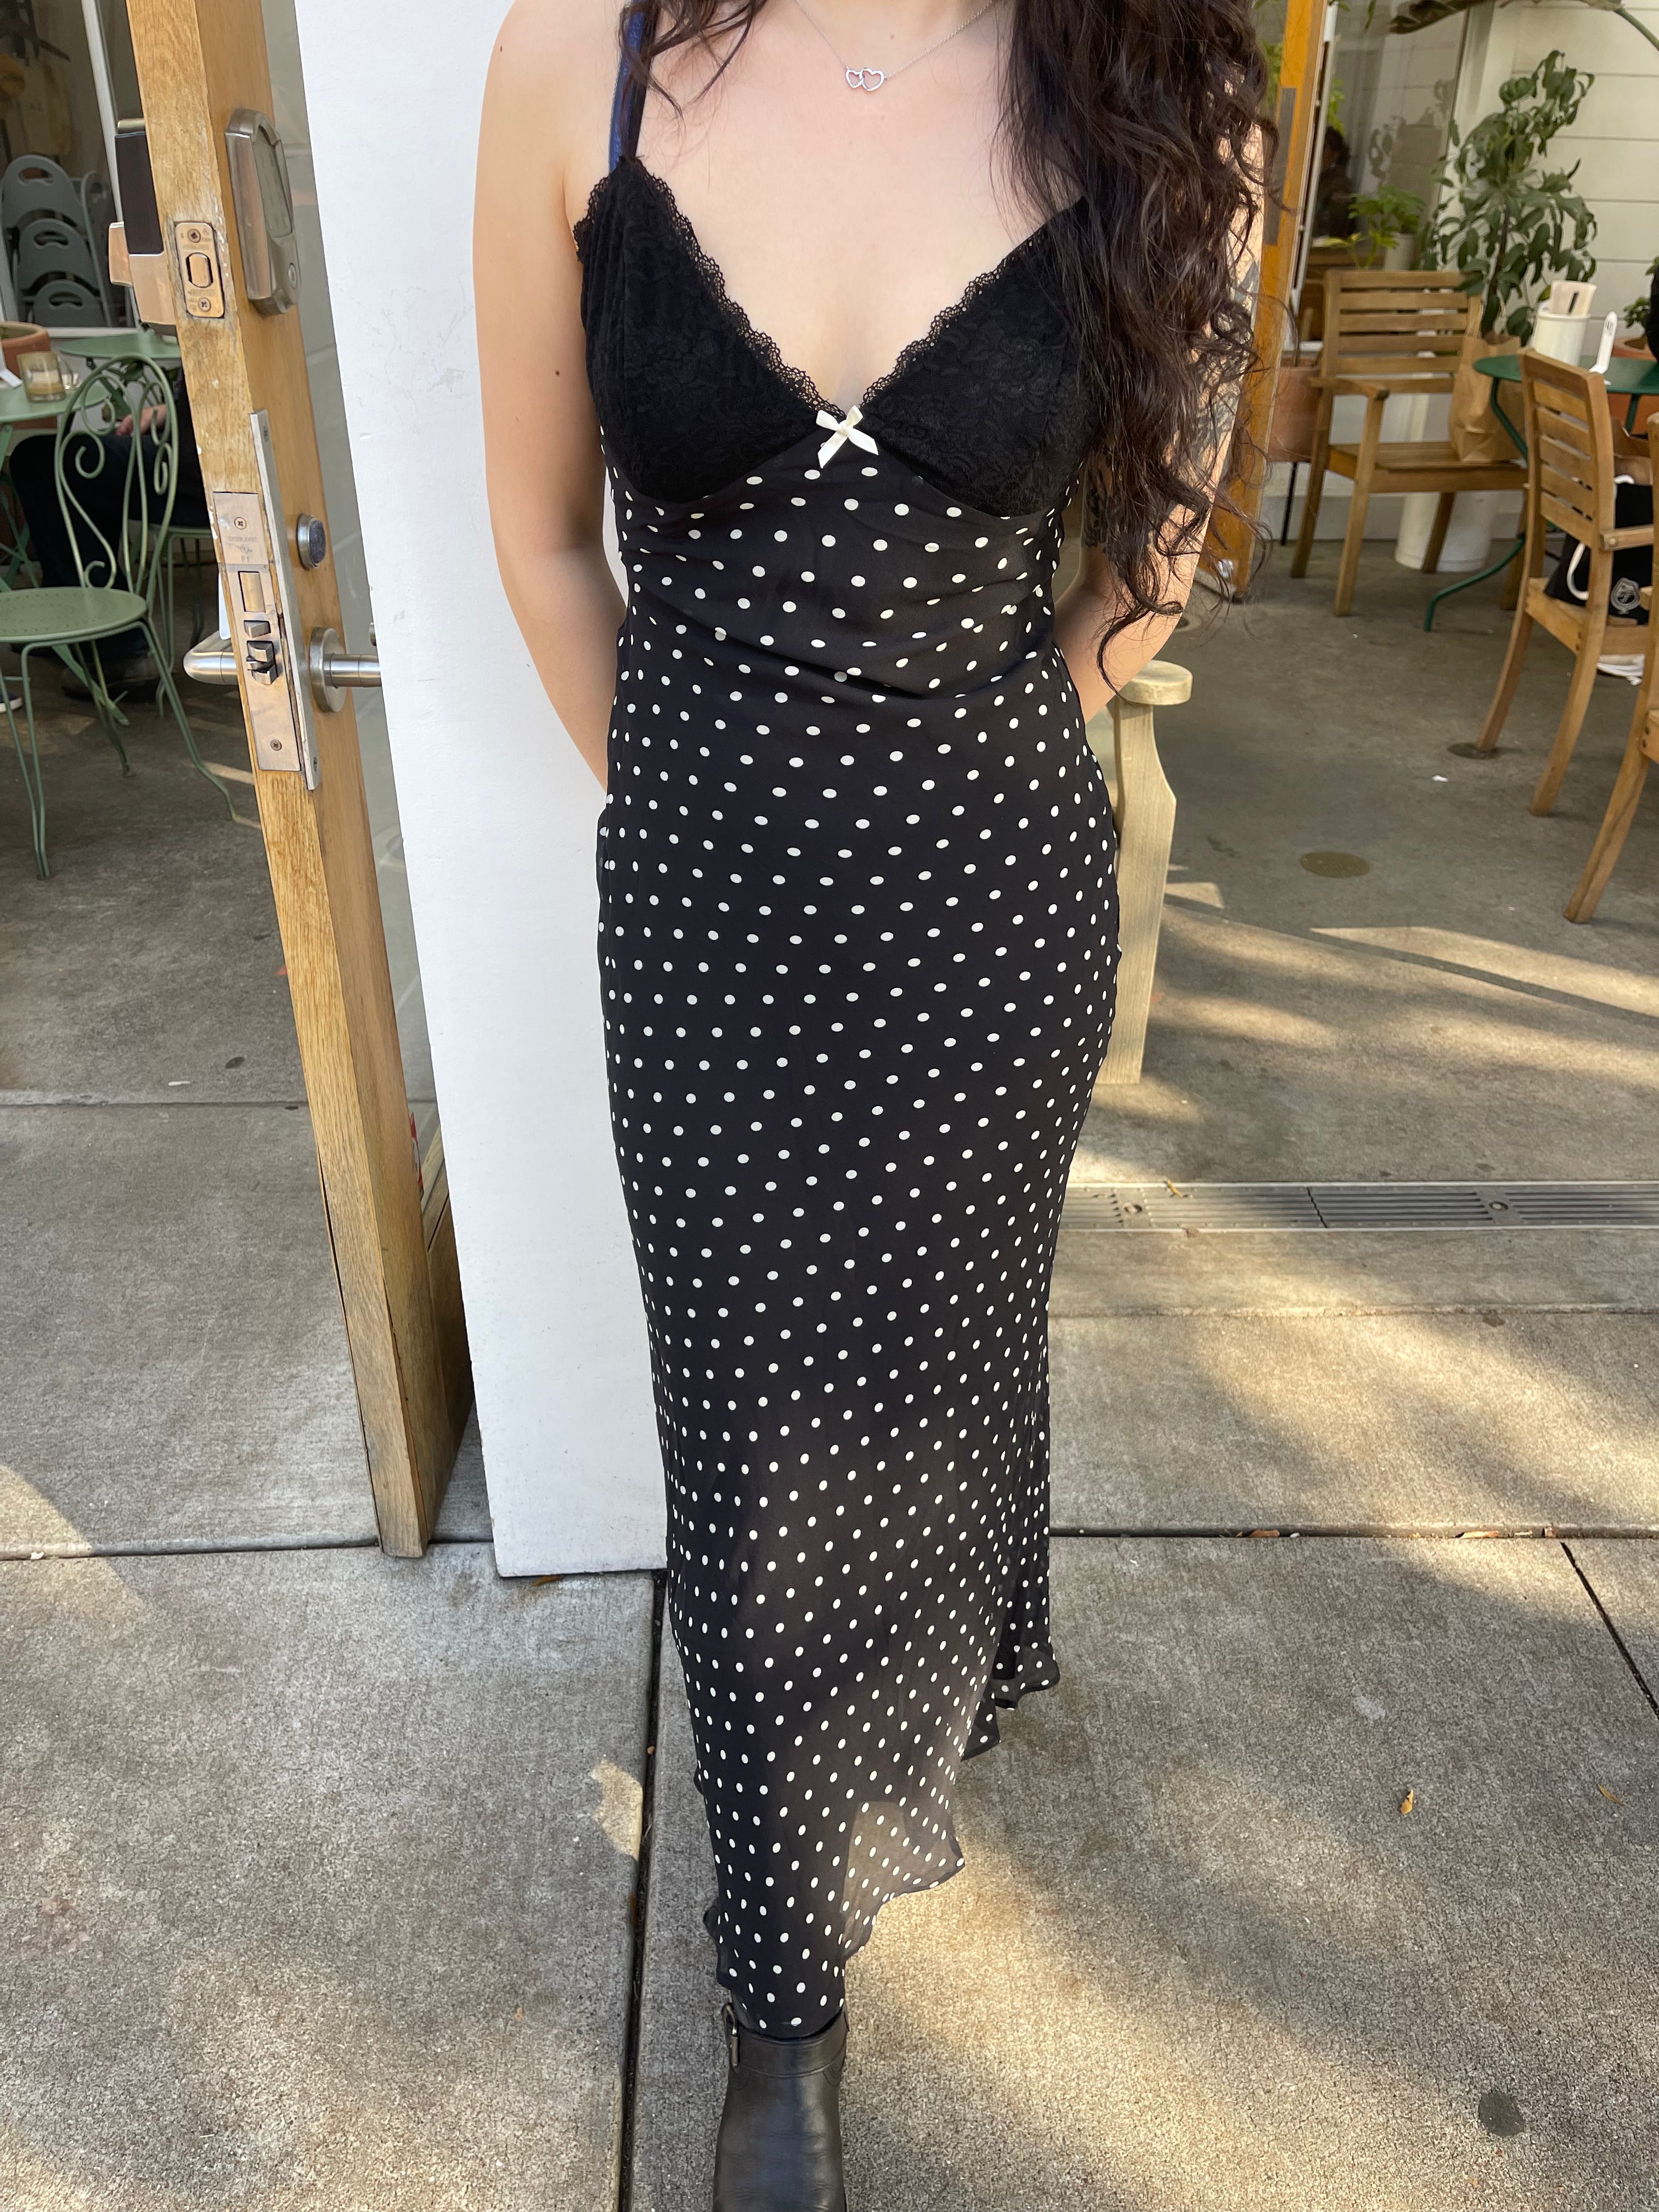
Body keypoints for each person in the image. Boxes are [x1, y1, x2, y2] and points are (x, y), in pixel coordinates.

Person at [475, 1, 1265, 2202]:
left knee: (940, 1378)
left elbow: (1154, 551)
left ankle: (942, 1679)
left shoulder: (1162, 94)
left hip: (988, 923)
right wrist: (722, 819)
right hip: (707, 931)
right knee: (750, 1450)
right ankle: (781, 2000)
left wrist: (952, 770)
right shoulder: (577, 58)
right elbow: (542, 539)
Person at [7, 369, 208, 702]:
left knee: (48, 463)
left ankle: (119, 650)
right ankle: (79, 627)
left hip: (206, 477)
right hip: (199, 453)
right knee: (62, 464)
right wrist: (169, 412)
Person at [1311, 121, 1353, 240]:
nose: (1316, 151)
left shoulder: (1339, 184)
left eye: (1323, 147)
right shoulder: (1317, 177)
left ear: (1335, 155)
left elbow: (1334, 226)